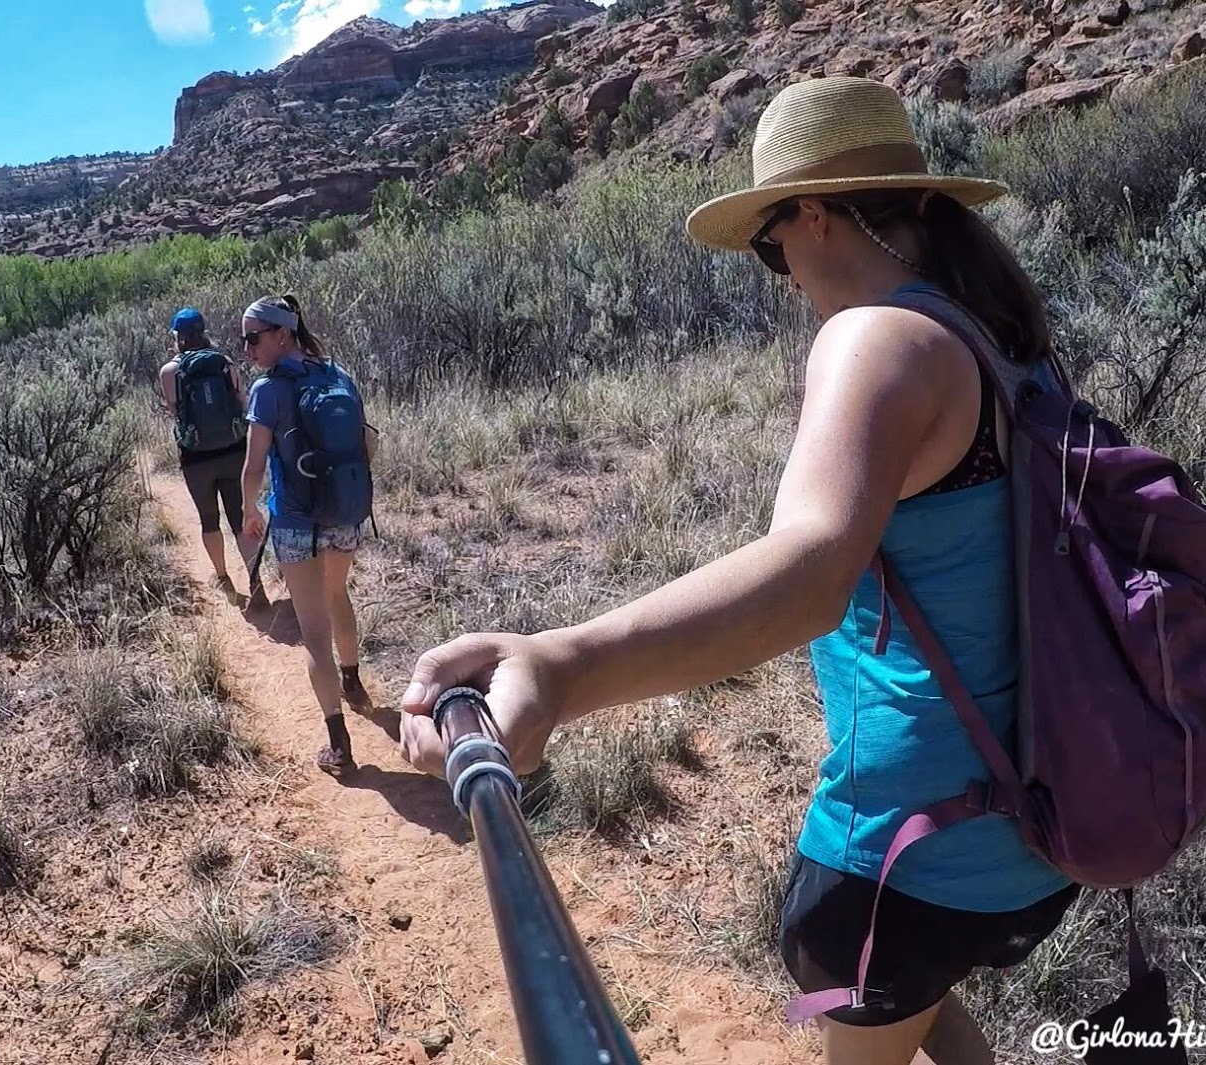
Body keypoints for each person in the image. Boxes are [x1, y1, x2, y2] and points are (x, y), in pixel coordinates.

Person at [398, 77, 1083, 1065]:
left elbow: (808, 574)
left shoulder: (877, 337)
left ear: (809, 217)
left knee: (862, 978)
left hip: (905, 858)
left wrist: (559, 666)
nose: (781, 273)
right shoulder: (1008, 344)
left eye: (772, 247)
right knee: (903, 998)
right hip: (1042, 833)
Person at [239, 294, 379, 775]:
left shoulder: (268, 390)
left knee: (313, 631)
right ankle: (354, 682)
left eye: (253, 338)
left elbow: (254, 464)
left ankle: (339, 744)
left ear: (282, 334)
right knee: (338, 594)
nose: (248, 348)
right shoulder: (338, 376)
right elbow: (367, 444)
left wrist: (249, 509)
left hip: (296, 521)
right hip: (343, 512)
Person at [158, 307, 258, 599]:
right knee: (240, 519)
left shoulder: (170, 371)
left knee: (209, 518)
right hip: (233, 450)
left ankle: (223, 577)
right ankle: (255, 578)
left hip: (196, 457)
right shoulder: (224, 363)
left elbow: (176, 411)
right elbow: (242, 401)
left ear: (177, 336)